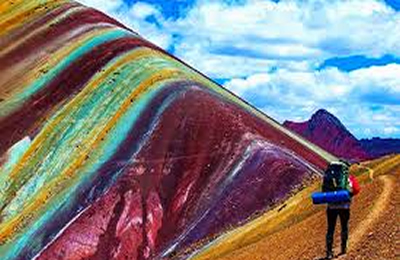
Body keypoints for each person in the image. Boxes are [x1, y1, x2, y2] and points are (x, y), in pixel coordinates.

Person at [321, 160, 353, 259]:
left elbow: (323, 191)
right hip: (344, 207)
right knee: (344, 227)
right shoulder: (347, 178)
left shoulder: (328, 177)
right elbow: (352, 191)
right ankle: (343, 249)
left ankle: (329, 252)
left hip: (331, 207)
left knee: (330, 229)